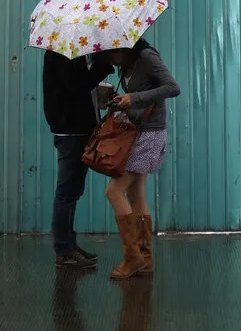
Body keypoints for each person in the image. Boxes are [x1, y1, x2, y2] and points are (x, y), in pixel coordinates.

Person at [105, 38, 180, 279]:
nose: (110, 59)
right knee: (135, 194)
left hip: (150, 134)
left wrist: (135, 99)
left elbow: (172, 87)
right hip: (137, 132)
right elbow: (135, 97)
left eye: (112, 52)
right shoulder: (125, 66)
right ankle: (145, 258)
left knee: (114, 192)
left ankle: (133, 257)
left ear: (125, 46)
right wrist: (120, 102)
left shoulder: (147, 57)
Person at [43, 50, 114, 268]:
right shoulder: (61, 53)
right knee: (67, 191)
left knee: (73, 191)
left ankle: (69, 245)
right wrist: (102, 67)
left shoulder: (75, 54)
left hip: (79, 128)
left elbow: (79, 86)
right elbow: (75, 86)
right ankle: (64, 250)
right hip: (71, 130)